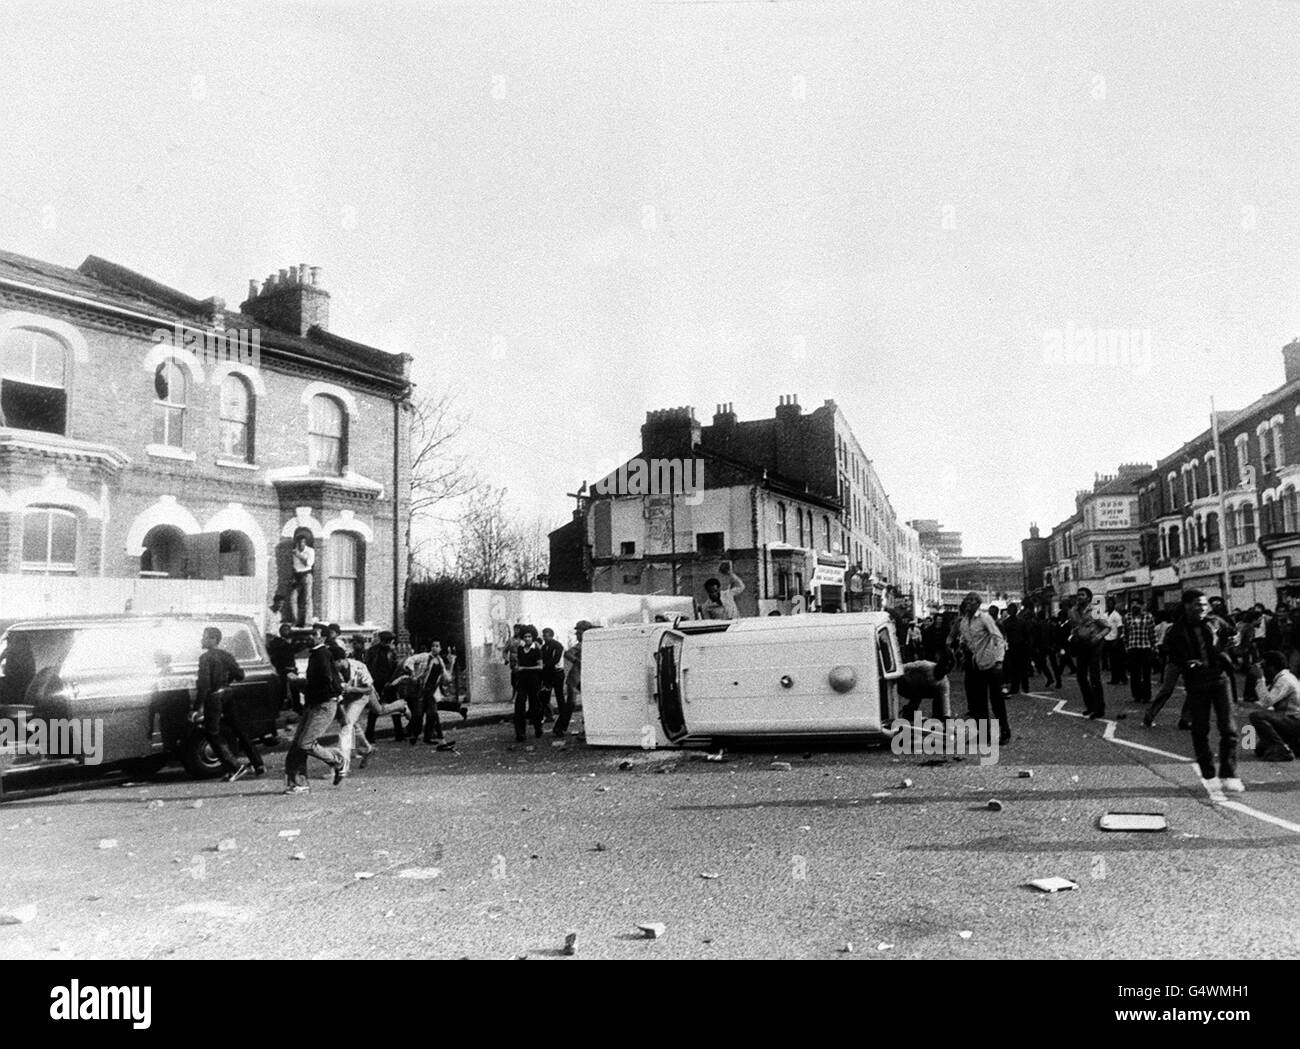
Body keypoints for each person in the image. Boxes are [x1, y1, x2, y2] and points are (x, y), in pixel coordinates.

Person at [1164, 589, 1242, 797]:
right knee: (1200, 729)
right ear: (1187, 605)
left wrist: (1236, 640)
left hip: (1220, 679)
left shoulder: (1215, 621)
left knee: (1229, 729)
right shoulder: (1176, 631)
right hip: (1197, 683)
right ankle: (1209, 775)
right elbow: (1171, 655)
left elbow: (1234, 634)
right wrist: (1186, 663)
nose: (1202, 608)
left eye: (1204, 605)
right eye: (1198, 604)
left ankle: (1229, 773)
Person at [284, 624, 346, 794]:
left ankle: (336, 760)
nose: (310, 637)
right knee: (298, 745)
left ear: (323, 637)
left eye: (314, 634)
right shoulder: (316, 654)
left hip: (323, 706)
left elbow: (326, 681)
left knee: (305, 743)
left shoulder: (322, 654)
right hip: (315, 705)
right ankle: (299, 783)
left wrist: (299, 682)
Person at [195, 626, 263, 782]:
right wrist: (225, 683)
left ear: (213, 639)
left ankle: (235, 766)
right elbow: (240, 675)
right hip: (228, 694)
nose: (202, 640)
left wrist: (196, 708)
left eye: (205, 637)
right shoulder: (226, 656)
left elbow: (204, 685)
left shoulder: (205, 658)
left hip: (214, 698)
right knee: (238, 729)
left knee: (211, 733)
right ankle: (258, 764)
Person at [949, 591, 1011, 745]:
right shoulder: (964, 622)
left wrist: (999, 660)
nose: (968, 602)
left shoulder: (985, 618)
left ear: (978, 603)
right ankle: (984, 734)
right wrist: (962, 648)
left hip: (990, 663)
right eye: (967, 600)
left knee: (996, 700)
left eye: (972, 600)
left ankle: (1004, 731)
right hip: (974, 665)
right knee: (978, 701)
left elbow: (998, 637)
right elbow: (965, 640)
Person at [1246, 649, 1300, 761]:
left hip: (1294, 721)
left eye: (1264, 666)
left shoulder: (1284, 680)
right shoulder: (1281, 677)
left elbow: (1266, 702)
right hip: (1289, 720)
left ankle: (1282, 750)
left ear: (1272, 667)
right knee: (1260, 750)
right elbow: (1264, 701)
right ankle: (1291, 745)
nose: (1262, 669)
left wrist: (1260, 678)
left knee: (1256, 716)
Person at [334, 647, 377, 777]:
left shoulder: (359, 666)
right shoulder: (335, 670)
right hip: (345, 699)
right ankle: (367, 749)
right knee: (351, 724)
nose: (332, 665)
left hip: (360, 698)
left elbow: (369, 689)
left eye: (334, 662)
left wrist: (352, 689)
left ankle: (342, 766)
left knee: (346, 728)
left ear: (341, 660)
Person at [1067, 587, 1108, 718]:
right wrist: (1073, 635)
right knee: (1081, 677)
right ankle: (1090, 706)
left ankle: (1099, 709)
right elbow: (1074, 627)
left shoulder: (1095, 610)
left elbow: (1107, 627)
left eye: (1082, 595)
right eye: (1078, 595)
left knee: (1095, 677)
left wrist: (1098, 637)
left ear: (1089, 598)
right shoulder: (1072, 611)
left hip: (1094, 644)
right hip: (1081, 645)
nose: (1079, 597)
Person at [364, 630, 405, 742]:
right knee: (380, 708)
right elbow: (370, 667)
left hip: (388, 683)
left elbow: (396, 668)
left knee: (390, 707)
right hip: (379, 683)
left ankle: (397, 733)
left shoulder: (377, 651)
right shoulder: (380, 651)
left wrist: (391, 681)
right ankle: (371, 733)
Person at [897, 651, 954, 722]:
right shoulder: (927, 665)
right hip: (904, 684)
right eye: (944, 665)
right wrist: (897, 674)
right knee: (918, 691)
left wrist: (946, 717)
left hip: (918, 690)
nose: (946, 668)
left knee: (939, 694)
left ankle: (936, 718)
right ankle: (909, 712)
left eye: (949, 667)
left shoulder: (944, 682)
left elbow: (945, 699)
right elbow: (907, 666)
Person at [559, 621, 592, 737]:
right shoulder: (582, 645)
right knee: (571, 704)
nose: (577, 635)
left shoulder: (588, 644)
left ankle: (561, 728)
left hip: (581, 678)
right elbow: (567, 653)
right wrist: (579, 662)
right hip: (575, 679)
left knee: (583, 704)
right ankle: (560, 727)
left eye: (579, 632)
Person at [513, 626, 545, 742]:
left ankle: (538, 727)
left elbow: (540, 666)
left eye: (529, 636)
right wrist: (518, 668)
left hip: (534, 680)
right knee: (519, 705)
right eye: (525, 637)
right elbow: (519, 663)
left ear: (533, 637)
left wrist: (523, 668)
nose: (527, 639)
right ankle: (520, 733)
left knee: (535, 705)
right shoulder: (521, 650)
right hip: (522, 681)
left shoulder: (536, 650)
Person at [1123, 599, 1155, 703]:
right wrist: (1126, 647)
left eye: (1137, 604)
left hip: (1145, 647)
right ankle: (1136, 695)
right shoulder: (1127, 617)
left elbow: (1152, 633)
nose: (1134, 606)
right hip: (1133, 648)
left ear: (1142, 606)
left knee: (1146, 673)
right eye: (1132, 604)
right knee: (1134, 673)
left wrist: (1154, 647)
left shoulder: (1148, 617)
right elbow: (1126, 633)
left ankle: (1146, 696)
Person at [267, 622, 302, 714]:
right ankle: (279, 707)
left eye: (287, 630)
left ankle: (296, 706)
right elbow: (276, 651)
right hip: (282, 669)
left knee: (294, 688)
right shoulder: (277, 642)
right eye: (284, 630)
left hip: (290, 668)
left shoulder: (292, 641)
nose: (286, 632)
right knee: (281, 689)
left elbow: (297, 649)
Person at [1000, 602, 1030, 695]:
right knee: (1018, 668)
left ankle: (1019, 687)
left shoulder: (1007, 623)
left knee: (1018, 668)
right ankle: (1022, 687)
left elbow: (1026, 635)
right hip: (1015, 647)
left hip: (1017, 647)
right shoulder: (1012, 622)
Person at [540, 628, 566, 726]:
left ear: (551, 636)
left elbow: (555, 659)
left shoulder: (557, 646)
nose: (545, 638)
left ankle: (563, 718)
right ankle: (549, 715)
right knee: (545, 695)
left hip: (557, 673)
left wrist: (545, 665)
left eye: (546, 636)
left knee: (559, 696)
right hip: (548, 673)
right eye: (544, 636)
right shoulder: (544, 647)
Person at [288, 535, 315, 627]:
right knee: (293, 598)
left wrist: (299, 555)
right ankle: (295, 620)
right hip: (297, 576)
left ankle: (308, 621)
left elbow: (308, 563)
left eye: (302, 543)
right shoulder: (295, 551)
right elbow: (293, 565)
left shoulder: (310, 551)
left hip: (306, 574)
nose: (300, 545)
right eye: (299, 543)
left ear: (305, 543)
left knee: (307, 598)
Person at [1103, 597, 1127, 685]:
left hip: (1116, 640)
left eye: (1111, 604)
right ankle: (1114, 679)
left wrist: (1116, 640)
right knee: (1112, 661)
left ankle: (1123, 678)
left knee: (1119, 661)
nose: (1109, 605)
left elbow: (1120, 628)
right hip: (1108, 640)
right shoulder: (1105, 615)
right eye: (1108, 604)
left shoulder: (1116, 615)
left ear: (1113, 605)